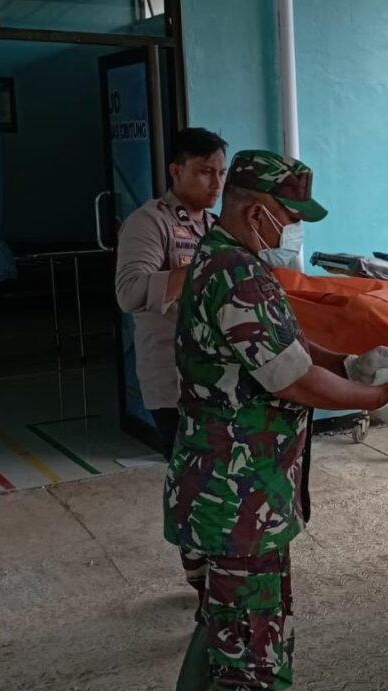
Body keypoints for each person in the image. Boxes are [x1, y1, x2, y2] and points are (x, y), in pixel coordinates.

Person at [156, 149, 388, 691]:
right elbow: (290, 379)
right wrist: (379, 396)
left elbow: (285, 344)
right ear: (256, 210)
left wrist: (347, 365)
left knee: (223, 608)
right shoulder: (238, 273)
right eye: (287, 215)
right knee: (250, 627)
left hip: (223, 483)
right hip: (238, 492)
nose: (292, 229)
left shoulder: (225, 259)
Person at [115, 127, 228, 459]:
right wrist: (202, 266)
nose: (217, 183)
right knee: (193, 481)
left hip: (217, 379)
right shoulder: (149, 223)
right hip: (173, 382)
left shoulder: (216, 228)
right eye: (205, 172)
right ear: (176, 171)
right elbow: (129, 293)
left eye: (221, 173)